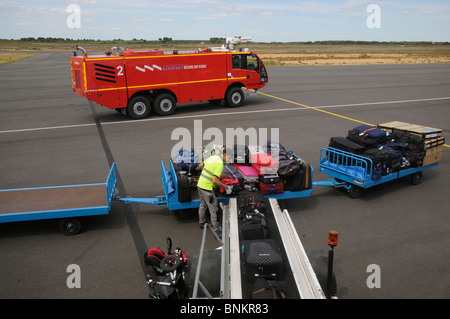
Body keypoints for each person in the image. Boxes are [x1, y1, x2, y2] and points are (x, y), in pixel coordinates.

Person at [196, 147, 232, 236]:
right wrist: (226, 187)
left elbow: (201, 165)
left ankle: (202, 222)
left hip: (200, 185)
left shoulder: (213, 157)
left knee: (203, 204)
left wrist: (207, 173)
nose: (229, 160)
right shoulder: (220, 164)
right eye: (229, 157)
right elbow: (215, 181)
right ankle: (218, 232)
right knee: (213, 209)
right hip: (207, 188)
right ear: (224, 155)